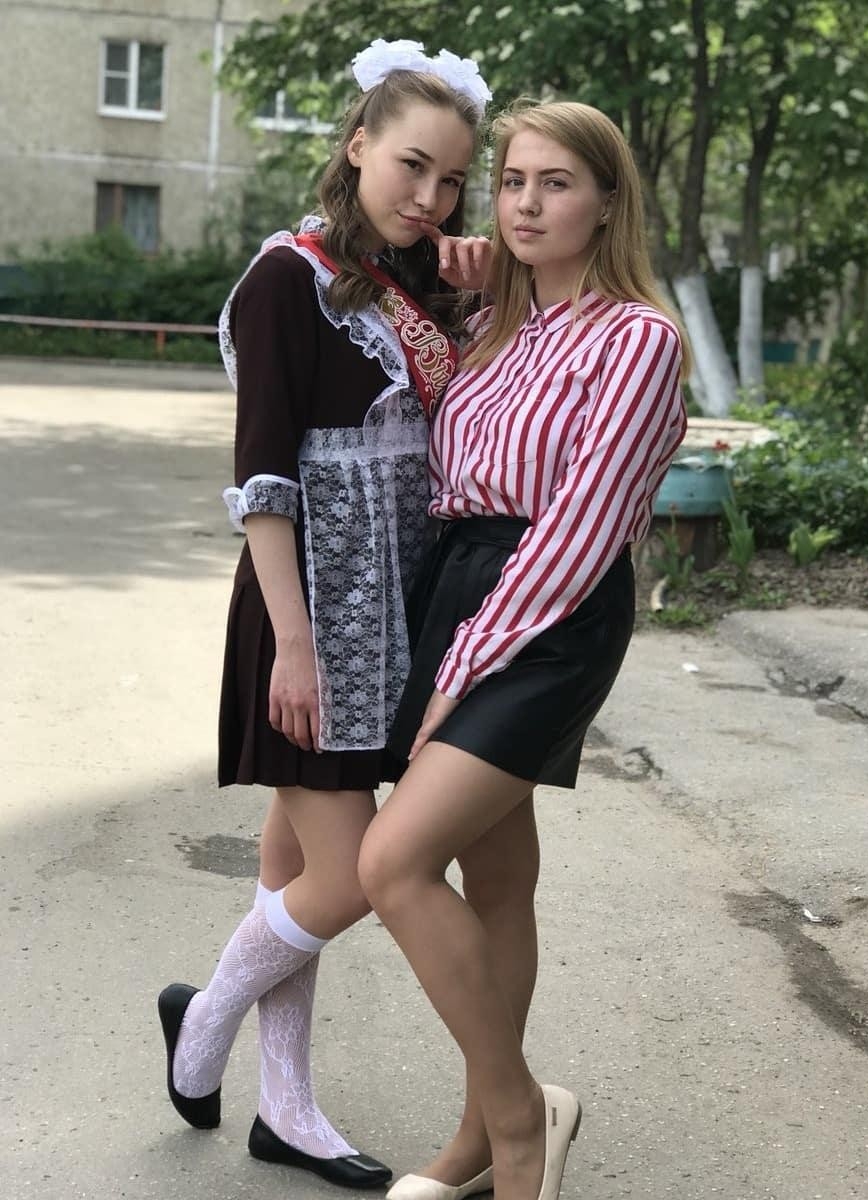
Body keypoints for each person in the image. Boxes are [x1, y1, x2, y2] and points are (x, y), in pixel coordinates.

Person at [157, 39, 492, 1189]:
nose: (429, 195)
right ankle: (203, 1023)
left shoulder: (431, 290)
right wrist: (294, 649)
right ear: (355, 146)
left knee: (297, 860)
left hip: (391, 616)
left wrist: (486, 290)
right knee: (352, 878)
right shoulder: (283, 281)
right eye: (411, 164)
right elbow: (262, 478)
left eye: (452, 179)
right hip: (305, 619)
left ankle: (285, 1106)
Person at [357, 100, 691, 1200]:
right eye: (511, 182)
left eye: (556, 183)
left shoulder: (637, 340)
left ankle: (516, 1124)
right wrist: (462, 267)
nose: (527, 203)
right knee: (498, 877)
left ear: (607, 202)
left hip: (551, 613)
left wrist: (462, 668)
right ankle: (476, 1139)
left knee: (393, 862)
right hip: (457, 586)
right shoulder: (494, 324)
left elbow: (581, 532)